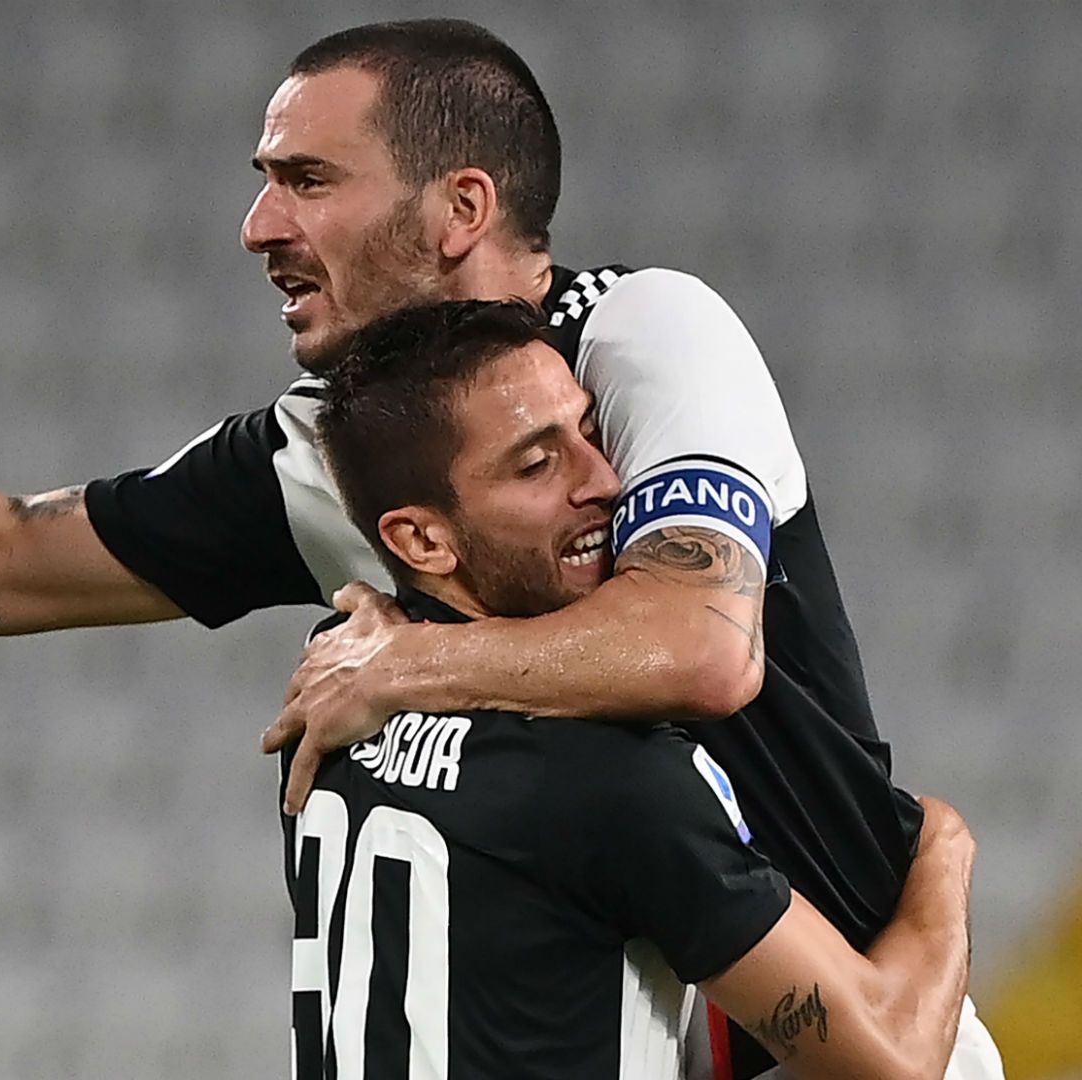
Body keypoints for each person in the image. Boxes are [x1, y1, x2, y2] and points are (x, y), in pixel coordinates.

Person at [0, 19, 922, 1077]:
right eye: (264, 181)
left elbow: (702, 644)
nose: (257, 226)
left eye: (306, 179)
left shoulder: (644, 334)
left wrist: (404, 667)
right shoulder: (340, 450)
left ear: (460, 208)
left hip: (857, 1030)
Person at [286, 297, 996, 1079]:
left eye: (589, 433)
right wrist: (943, 847)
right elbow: (891, 1059)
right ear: (421, 538)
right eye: (536, 464)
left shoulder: (329, 682)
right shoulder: (608, 773)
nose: (603, 480)